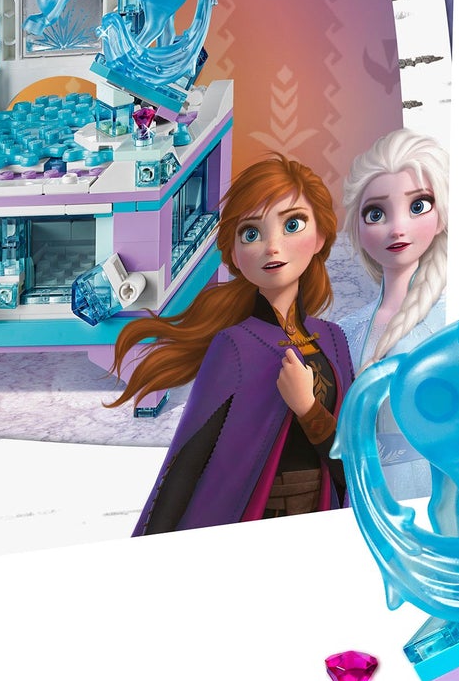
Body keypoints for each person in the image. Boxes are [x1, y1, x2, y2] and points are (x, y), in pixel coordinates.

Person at [114, 156, 354, 533]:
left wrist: (308, 409)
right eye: (251, 233)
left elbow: (352, 464)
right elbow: (188, 462)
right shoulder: (235, 346)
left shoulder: (334, 339)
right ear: (235, 256)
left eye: (292, 224)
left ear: (321, 236)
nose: (273, 247)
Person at [338, 129, 448, 498]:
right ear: (357, 226)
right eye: (376, 213)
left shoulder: (451, 317)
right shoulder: (346, 329)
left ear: (442, 214)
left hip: (434, 485)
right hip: (363, 490)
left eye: (418, 206)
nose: (397, 228)